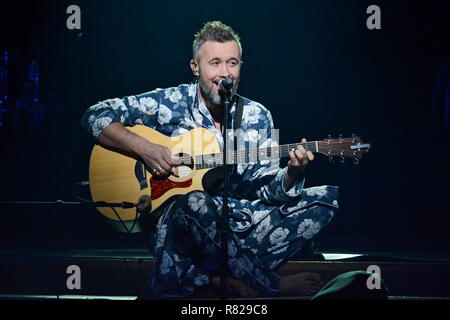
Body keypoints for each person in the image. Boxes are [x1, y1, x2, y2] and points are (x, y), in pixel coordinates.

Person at [81, 21, 339, 298]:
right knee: (194, 201)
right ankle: (266, 284)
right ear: (195, 67)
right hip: (184, 222)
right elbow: (95, 115)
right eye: (215, 63)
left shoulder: (257, 115)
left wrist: (292, 173)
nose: (225, 73)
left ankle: (212, 278)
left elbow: (265, 189)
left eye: (232, 63)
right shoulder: (169, 102)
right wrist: (145, 149)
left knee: (325, 199)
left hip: (240, 222)